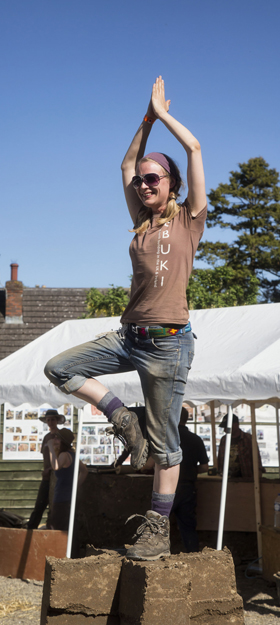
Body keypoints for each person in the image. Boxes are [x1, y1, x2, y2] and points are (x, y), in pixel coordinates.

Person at [44, 75, 207, 561]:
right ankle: (122, 420)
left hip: (168, 345)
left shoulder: (190, 220)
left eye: (154, 177)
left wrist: (165, 116)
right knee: (59, 368)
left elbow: (195, 146)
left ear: (172, 184)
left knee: (167, 444)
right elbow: (125, 162)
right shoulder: (140, 223)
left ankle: (156, 528)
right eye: (142, 180)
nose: (144, 182)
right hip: (127, 336)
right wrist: (145, 120)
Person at [172, 406, 209, 552]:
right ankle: (193, 556)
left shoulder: (167, 439)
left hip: (168, 487)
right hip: (188, 487)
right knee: (188, 526)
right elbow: (205, 467)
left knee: (159, 524)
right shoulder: (196, 439)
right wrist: (192, 470)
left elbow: (149, 464)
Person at [47, 428, 88, 557]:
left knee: (59, 527)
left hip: (61, 498)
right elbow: (84, 471)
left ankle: (62, 555)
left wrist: (50, 448)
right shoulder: (73, 455)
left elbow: (55, 466)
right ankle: (72, 555)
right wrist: (75, 486)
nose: (55, 440)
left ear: (62, 441)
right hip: (70, 497)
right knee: (71, 528)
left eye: (57, 438)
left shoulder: (64, 455)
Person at [27, 409, 65, 529]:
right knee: (40, 505)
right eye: (48, 420)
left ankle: (53, 532)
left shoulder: (61, 436)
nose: (50, 422)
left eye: (52, 419)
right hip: (47, 476)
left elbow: (64, 455)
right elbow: (45, 456)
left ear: (57, 420)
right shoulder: (46, 437)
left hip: (58, 476)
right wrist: (46, 469)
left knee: (56, 507)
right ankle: (29, 530)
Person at [218, 414, 263, 478]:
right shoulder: (223, 440)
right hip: (227, 479)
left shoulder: (248, 439)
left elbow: (257, 461)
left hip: (246, 479)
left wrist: (257, 479)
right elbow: (220, 460)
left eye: (227, 427)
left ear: (236, 425)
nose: (225, 430)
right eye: (224, 427)